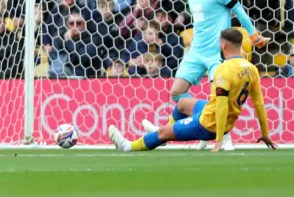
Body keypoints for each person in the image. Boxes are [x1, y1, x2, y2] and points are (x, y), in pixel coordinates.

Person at [158, 0, 267, 150]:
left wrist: (254, 36)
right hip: (196, 51)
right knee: (176, 92)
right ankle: (206, 120)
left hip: (216, 53)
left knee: (219, 97)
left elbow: (240, 12)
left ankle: (223, 135)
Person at [110, 29, 276, 153]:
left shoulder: (223, 70)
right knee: (182, 103)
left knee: (162, 133)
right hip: (217, 115)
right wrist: (265, 133)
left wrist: (218, 140)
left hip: (207, 124)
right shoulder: (252, 69)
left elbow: (222, 106)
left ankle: (128, 146)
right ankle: (163, 134)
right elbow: (259, 104)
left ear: (224, 45)